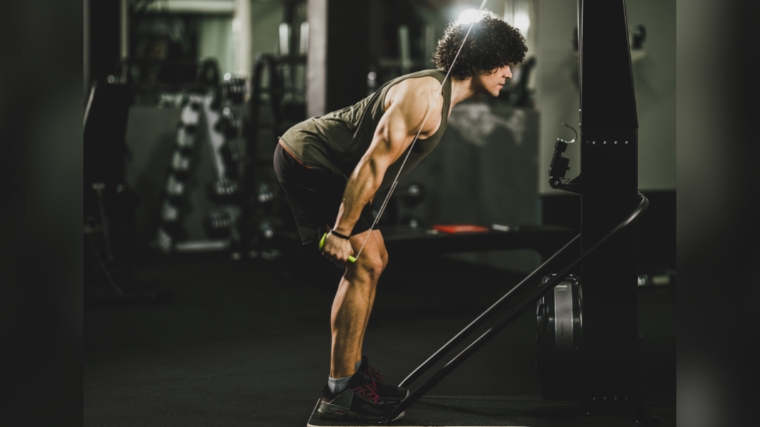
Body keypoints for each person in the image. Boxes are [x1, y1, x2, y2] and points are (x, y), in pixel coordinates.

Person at [273, 11, 527, 423]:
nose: (509, 75)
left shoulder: (439, 95)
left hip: (337, 168)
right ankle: (339, 395)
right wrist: (338, 231)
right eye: (504, 64)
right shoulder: (424, 98)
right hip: (309, 158)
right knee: (366, 261)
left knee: (374, 259)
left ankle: (350, 380)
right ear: (481, 59)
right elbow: (371, 166)